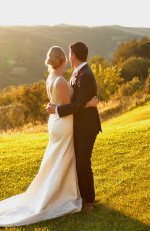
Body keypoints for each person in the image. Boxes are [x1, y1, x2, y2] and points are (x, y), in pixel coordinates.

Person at [0, 46, 98, 227]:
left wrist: (64, 107)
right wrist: (88, 104)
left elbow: (65, 104)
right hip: (63, 121)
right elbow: (70, 107)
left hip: (56, 121)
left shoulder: (51, 77)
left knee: (59, 158)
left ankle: (72, 194)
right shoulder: (62, 81)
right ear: (64, 60)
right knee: (64, 158)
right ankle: (64, 195)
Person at [46, 42, 102, 211]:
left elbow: (78, 105)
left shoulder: (85, 75)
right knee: (77, 162)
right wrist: (88, 103)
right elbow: (78, 102)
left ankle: (90, 201)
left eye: (70, 54)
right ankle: (82, 196)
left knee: (83, 163)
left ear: (74, 55)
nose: (69, 57)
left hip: (87, 127)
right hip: (77, 125)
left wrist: (57, 109)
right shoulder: (76, 73)